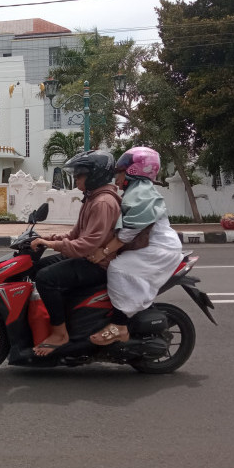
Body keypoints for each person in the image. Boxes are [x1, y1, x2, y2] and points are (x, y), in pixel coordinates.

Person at [88, 146, 183, 345]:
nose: (116, 179)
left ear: (133, 171)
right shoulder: (137, 191)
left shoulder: (141, 194)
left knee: (118, 269)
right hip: (152, 247)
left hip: (159, 250)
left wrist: (103, 252)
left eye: (120, 173)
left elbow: (128, 233)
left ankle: (119, 325)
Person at [29, 150, 121, 356]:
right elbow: (75, 234)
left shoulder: (102, 202)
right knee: (39, 267)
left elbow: (85, 245)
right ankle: (66, 313)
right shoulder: (92, 198)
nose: (76, 178)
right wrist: (49, 239)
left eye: (80, 174)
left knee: (45, 278)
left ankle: (60, 334)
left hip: (97, 263)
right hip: (87, 255)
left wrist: (51, 245)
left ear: (95, 175)